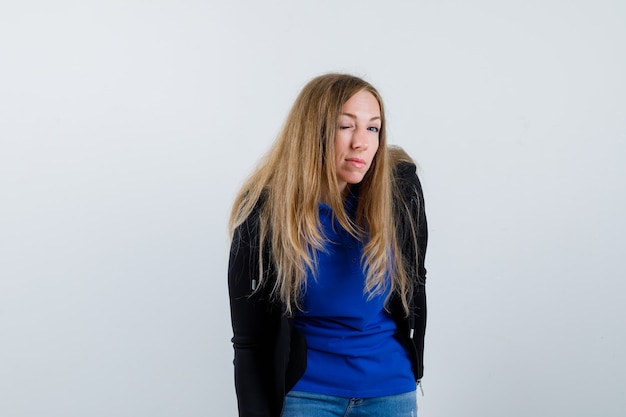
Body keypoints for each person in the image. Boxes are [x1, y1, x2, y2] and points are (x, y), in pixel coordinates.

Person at [228, 73, 428, 417]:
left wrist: (415, 367)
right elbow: (250, 340)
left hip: (390, 390)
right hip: (307, 395)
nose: (361, 142)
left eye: (373, 128)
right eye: (345, 126)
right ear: (313, 132)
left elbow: (415, 281)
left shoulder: (400, 191)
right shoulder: (264, 210)